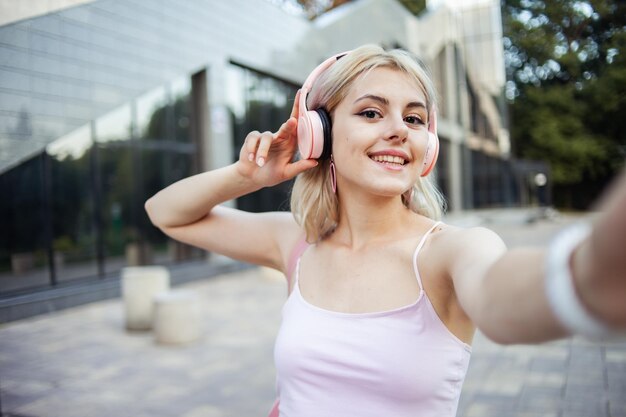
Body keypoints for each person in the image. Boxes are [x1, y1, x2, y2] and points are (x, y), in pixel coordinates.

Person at [145, 44, 626, 417]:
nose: (398, 129)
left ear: (427, 147)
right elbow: (166, 213)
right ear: (321, 135)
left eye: (414, 118)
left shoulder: (451, 251)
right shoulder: (296, 243)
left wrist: (585, 276)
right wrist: (245, 176)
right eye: (372, 112)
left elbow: (502, 299)